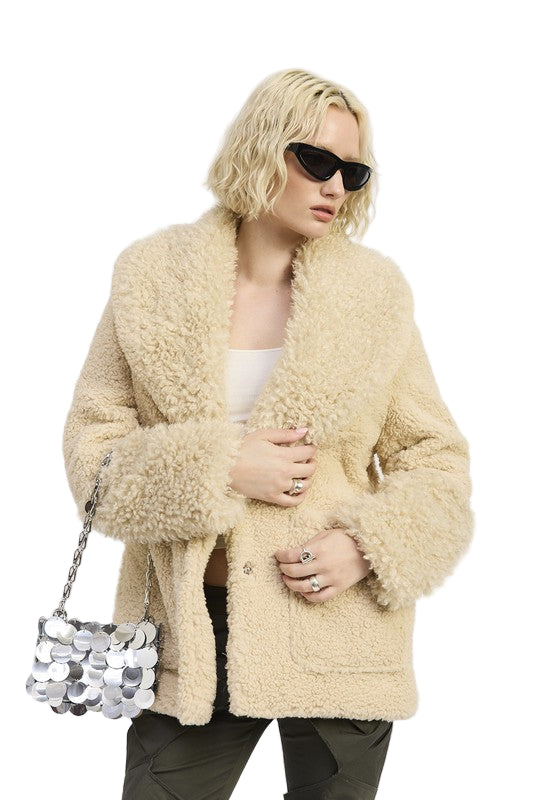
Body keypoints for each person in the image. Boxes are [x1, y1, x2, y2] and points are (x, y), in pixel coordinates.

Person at [62, 68, 474, 799]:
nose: (335, 186)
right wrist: (219, 466)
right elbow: (91, 453)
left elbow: (434, 459)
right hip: (193, 632)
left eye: (352, 172)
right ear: (259, 148)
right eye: (316, 161)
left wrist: (368, 547)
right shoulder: (151, 279)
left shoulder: (373, 296)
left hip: (338, 628)